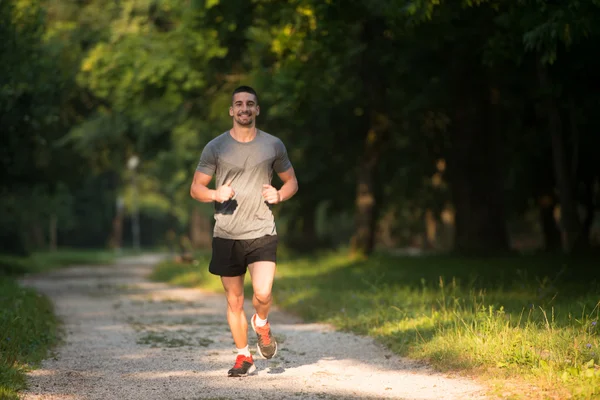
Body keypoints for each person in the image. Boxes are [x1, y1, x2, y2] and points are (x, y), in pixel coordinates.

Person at [190, 86, 298, 377]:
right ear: (231, 110)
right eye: (239, 104)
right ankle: (243, 356)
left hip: (261, 228)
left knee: (263, 293)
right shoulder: (215, 147)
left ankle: (261, 322)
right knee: (234, 300)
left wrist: (280, 195)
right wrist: (215, 194)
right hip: (227, 233)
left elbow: (291, 182)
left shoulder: (273, 145)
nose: (244, 109)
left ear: (257, 110)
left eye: (250, 104)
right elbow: (196, 188)